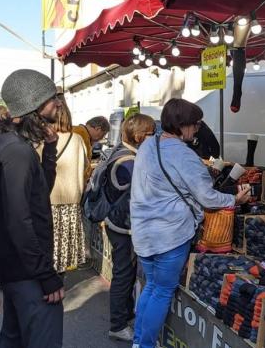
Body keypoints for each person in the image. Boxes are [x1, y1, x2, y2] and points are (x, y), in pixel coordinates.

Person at [130, 99, 251, 348]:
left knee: (151, 287)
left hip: (144, 230)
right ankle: (145, 345)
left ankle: (138, 341)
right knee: (161, 291)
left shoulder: (147, 145)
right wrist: (234, 199)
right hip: (169, 234)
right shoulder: (184, 155)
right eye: (195, 124)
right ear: (182, 125)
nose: (197, 129)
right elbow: (207, 197)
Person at [0, 69, 64, 348]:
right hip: (27, 273)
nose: (58, 103)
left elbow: (39, 191)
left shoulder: (14, 144)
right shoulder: (16, 151)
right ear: (35, 104)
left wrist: (50, 149)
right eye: (52, 98)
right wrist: (46, 275)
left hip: (19, 269)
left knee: (15, 338)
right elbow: (19, 220)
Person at [103, 113, 156, 342]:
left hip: (118, 223)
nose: (154, 139)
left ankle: (124, 315)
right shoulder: (129, 161)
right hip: (123, 225)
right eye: (151, 134)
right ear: (139, 136)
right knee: (123, 274)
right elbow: (143, 193)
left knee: (124, 272)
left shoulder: (120, 153)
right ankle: (118, 324)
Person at [49, 95, 88, 273]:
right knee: (64, 254)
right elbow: (85, 166)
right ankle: (59, 281)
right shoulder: (77, 140)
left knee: (47, 248)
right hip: (71, 202)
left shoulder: (41, 139)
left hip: (47, 200)